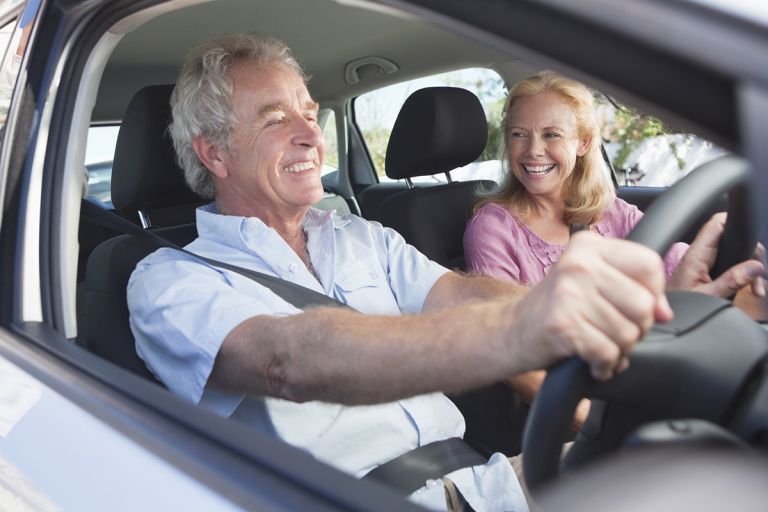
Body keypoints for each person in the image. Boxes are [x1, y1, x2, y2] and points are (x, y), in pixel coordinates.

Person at [127, 35, 762, 512]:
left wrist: (641, 309)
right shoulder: (167, 280)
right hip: (369, 498)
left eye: (309, 110)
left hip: (485, 480)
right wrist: (531, 324)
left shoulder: (357, 235)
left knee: (712, 462)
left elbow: (458, 293)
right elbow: (283, 359)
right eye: (274, 119)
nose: (310, 133)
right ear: (214, 151)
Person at [463, 71, 766, 428]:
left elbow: (684, 268)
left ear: (585, 143)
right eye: (519, 135)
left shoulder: (612, 212)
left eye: (551, 135)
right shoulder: (492, 227)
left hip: (649, 371)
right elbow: (511, 354)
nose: (533, 151)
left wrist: (748, 266)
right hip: (571, 412)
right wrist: (595, 424)